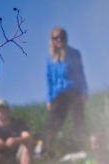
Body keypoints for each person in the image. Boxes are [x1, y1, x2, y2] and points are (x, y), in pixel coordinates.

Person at [43, 27, 88, 156]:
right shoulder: (50, 58)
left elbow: (80, 73)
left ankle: (82, 146)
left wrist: (84, 91)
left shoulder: (74, 54)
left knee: (77, 119)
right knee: (52, 122)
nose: (59, 39)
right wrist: (49, 98)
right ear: (52, 40)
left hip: (74, 91)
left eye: (61, 37)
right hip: (58, 95)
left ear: (65, 38)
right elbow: (49, 79)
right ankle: (47, 149)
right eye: (55, 38)